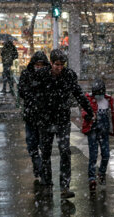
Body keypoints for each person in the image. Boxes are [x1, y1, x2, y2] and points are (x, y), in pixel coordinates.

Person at [35, 49, 94, 199]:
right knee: (46, 152)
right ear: (51, 63)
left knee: (65, 151)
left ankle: (65, 187)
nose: (59, 68)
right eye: (57, 65)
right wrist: (38, 111)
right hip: (46, 119)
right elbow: (32, 94)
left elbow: (78, 93)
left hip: (62, 119)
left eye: (62, 65)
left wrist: (89, 109)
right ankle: (47, 184)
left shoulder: (69, 76)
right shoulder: (42, 75)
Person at [81, 79, 114, 191]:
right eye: (96, 93)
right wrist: (88, 116)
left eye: (100, 93)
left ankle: (101, 173)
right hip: (92, 130)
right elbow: (84, 111)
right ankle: (92, 178)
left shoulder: (108, 100)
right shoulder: (88, 99)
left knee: (106, 154)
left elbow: (112, 114)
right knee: (93, 155)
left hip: (104, 131)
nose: (99, 96)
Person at [18, 51, 50, 179]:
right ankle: (38, 166)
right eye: (37, 64)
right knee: (32, 144)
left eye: (42, 65)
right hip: (31, 116)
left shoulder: (48, 76)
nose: (39, 67)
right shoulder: (26, 74)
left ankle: (42, 171)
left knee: (44, 145)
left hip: (44, 117)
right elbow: (22, 91)